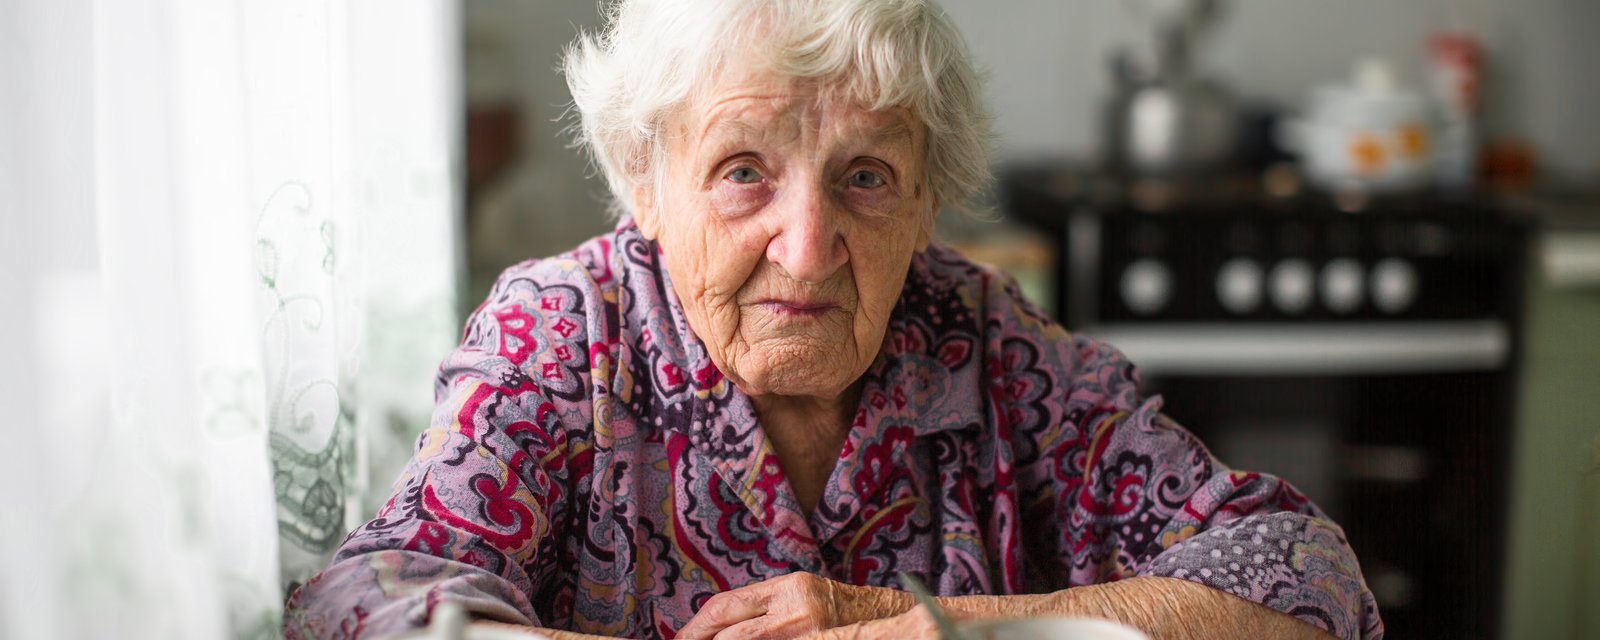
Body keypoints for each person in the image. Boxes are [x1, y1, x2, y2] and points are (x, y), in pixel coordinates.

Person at [284, 0, 1383, 638]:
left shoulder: (987, 343)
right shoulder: (565, 334)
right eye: (742, 171)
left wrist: (945, 628)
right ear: (645, 185)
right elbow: (367, 600)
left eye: (864, 177)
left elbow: (1308, 578)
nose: (805, 249)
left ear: (924, 202)